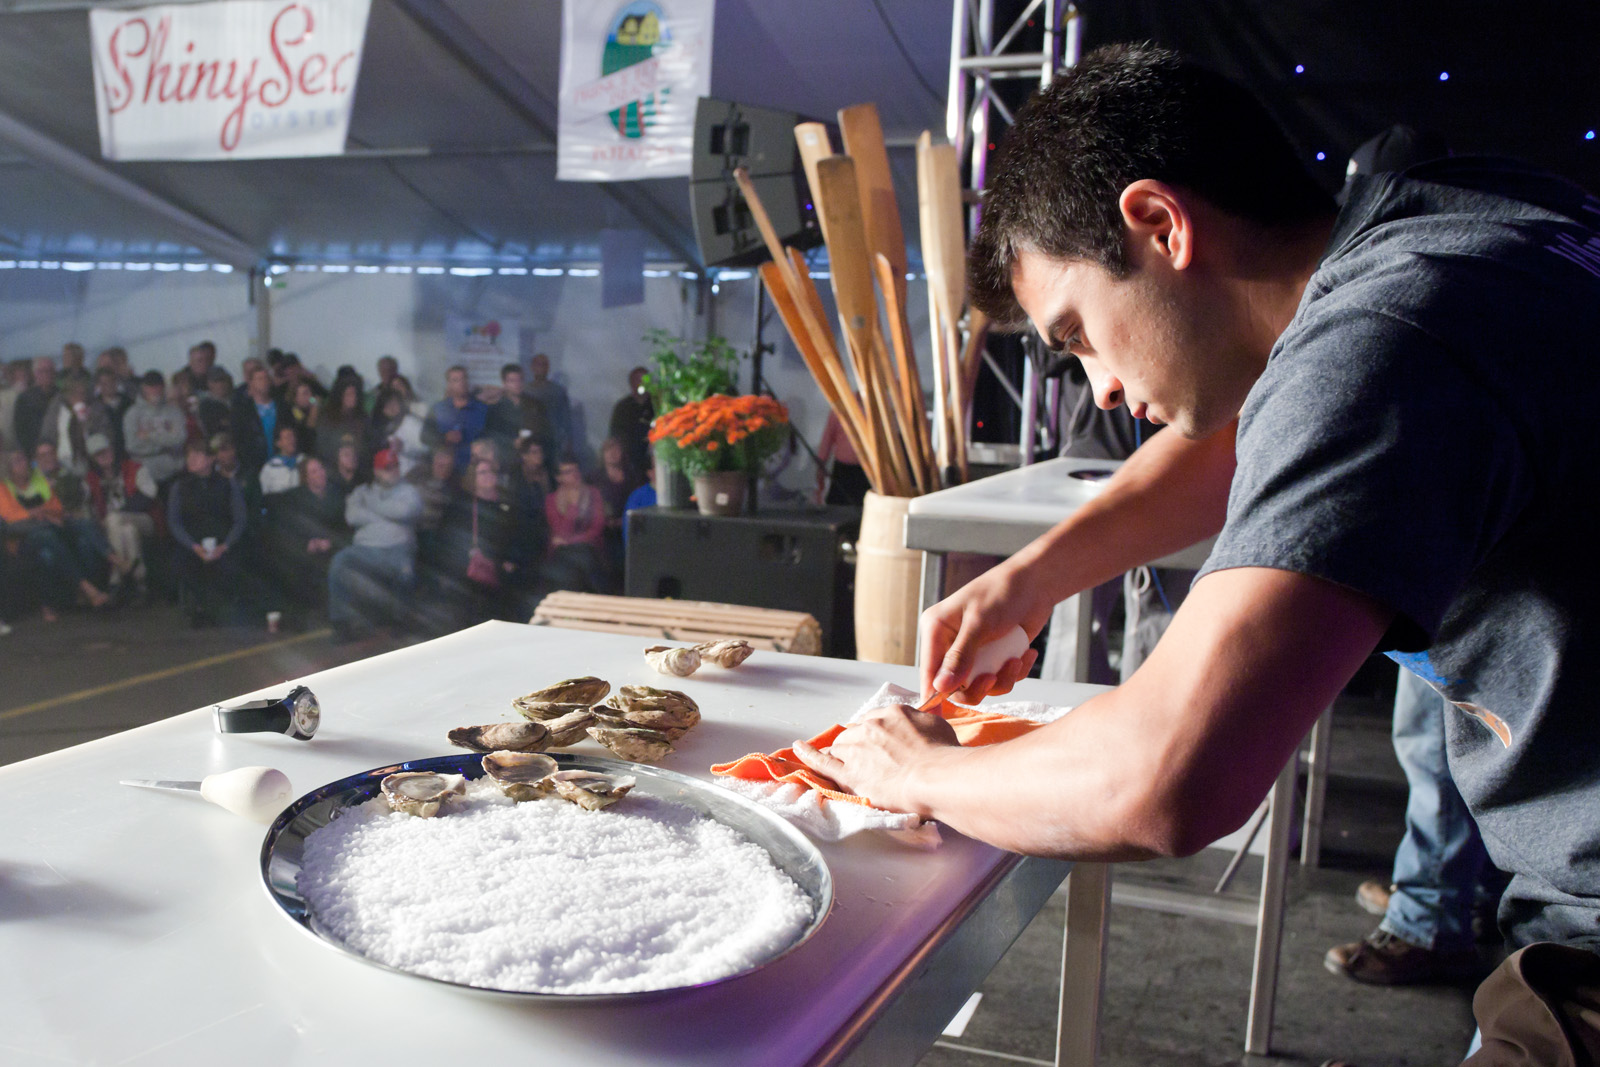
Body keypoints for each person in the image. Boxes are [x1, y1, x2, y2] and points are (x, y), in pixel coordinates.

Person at [787, 44, 1600, 1064]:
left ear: (1159, 224)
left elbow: (1166, 777)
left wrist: (922, 772)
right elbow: (1239, 433)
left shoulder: (1383, 335)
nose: (1099, 392)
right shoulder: (1453, 227)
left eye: (1078, 333)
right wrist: (1027, 580)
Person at [0, 447, 112, 619]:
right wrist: (36, 514)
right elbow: (11, 520)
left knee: (81, 527)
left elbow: (56, 508)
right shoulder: (3, 488)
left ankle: (114, 562)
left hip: (49, 528)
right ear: (9, 469)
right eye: (18, 461)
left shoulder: (39, 480)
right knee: (46, 544)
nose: (24, 464)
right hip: (22, 540)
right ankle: (86, 589)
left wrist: (41, 513)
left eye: (24, 459)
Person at [327, 448, 423, 640]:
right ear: (377, 472)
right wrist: (387, 515)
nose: (393, 470)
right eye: (388, 468)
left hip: (397, 547)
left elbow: (404, 512)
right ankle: (341, 624)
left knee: (405, 570)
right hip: (364, 549)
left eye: (396, 466)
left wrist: (371, 507)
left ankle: (401, 620)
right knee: (340, 561)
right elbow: (352, 516)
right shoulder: (361, 491)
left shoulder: (409, 491)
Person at [436, 458, 530, 623]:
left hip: (502, 570)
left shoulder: (508, 506)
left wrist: (512, 560)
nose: (488, 476)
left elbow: (521, 537)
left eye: (491, 471)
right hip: (471, 571)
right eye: (482, 472)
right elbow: (449, 539)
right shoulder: (462, 507)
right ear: (473, 477)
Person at [166, 439, 246, 626]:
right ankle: (199, 606)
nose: (191, 459)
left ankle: (220, 606)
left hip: (222, 542)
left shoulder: (228, 484)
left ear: (210, 459)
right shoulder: (179, 487)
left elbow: (240, 519)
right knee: (183, 564)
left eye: (197, 455)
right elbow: (174, 522)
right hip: (192, 545)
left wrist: (225, 546)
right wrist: (194, 547)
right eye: (189, 456)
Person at [267, 455, 349, 623]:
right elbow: (290, 528)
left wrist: (331, 542)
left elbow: (344, 527)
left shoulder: (336, 496)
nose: (320, 473)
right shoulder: (295, 499)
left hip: (333, 546)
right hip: (305, 547)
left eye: (320, 469)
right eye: (314, 471)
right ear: (306, 477)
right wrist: (307, 543)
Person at [84, 432, 159, 601]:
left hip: (143, 520)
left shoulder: (135, 468)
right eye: (98, 454)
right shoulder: (91, 479)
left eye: (106, 450)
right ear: (92, 459)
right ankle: (140, 581)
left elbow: (149, 496)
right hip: (114, 527)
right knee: (127, 531)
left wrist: (117, 514)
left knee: (114, 519)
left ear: (113, 450)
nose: (104, 456)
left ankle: (115, 579)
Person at [542, 457, 606, 592]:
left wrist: (571, 540)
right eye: (568, 472)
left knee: (584, 559)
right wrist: (573, 506)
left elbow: (597, 528)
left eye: (576, 470)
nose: (575, 474)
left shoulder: (593, 493)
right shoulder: (551, 499)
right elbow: (561, 531)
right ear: (559, 478)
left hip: (588, 548)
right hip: (562, 553)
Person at [123, 370, 188, 486]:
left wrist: (149, 436)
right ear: (143, 388)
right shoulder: (132, 414)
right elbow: (132, 446)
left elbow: (180, 439)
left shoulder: (174, 411)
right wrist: (166, 441)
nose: (155, 390)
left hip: (173, 470)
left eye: (158, 386)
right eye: (150, 386)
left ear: (163, 387)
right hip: (145, 473)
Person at [231, 365, 290, 487]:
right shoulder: (242, 411)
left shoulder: (282, 406)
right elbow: (237, 439)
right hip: (254, 467)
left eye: (266, 378)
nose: (264, 382)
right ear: (250, 383)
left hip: (281, 465)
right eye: (259, 379)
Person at [425, 365, 489, 472]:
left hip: (473, 470)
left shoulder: (483, 409)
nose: (461, 383)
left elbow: (492, 438)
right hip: (445, 471)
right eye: (456, 380)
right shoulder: (437, 409)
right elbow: (424, 436)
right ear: (449, 384)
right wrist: (444, 437)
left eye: (464, 378)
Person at [485, 362, 551, 450]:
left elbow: (544, 431)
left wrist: (527, 439)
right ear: (504, 383)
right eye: (512, 381)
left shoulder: (535, 405)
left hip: (532, 454)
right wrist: (511, 442)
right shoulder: (496, 408)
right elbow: (491, 434)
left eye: (520, 380)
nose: (517, 384)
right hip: (505, 454)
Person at [39, 372, 94, 475]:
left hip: (89, 461)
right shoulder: (57, 410)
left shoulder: (94, 408)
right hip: (62, 461)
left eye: (82, 393)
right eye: (75, 393)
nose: (80, 396)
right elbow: (47, 435)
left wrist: (88, 421)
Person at [606, 367, 654, 480]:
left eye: (646, 380)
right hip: (629, 463)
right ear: (632, 383)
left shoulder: (657, 403)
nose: (643, 383)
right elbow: (615, 437)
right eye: (639, 380)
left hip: (652, 461)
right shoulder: (623, 407)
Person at [815, 410, 868, 507]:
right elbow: (827, 438)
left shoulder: (875, 411)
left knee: (864, 509)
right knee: (837, 507)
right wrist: (821, 464)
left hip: (867, 472)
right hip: (842, 471)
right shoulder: (840, 409)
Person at [369, 386, 427, 476]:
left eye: (393, 403)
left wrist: (403, 447)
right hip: (391, 479)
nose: (391, 408)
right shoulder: (381, 431)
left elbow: (426, 450)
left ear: (400, 402)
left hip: (415, 475)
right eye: (386, 406)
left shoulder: (411, 422)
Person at [525, 353, 572, 458]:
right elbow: (521, 420)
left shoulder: (558, 391)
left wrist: (568, 442)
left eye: (544, 365)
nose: (541, 368)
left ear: (548, 368)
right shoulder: (525, 390)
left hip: (553, 442)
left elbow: (566, 420)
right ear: (532, 367)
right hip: (531, 441)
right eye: (538, 364)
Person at [317, 379, 368, 472]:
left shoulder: (363, 418)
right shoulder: (327, 418)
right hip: (333, 468)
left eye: (355, 394)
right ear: (340, 396)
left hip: (360, 467)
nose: (353, 397)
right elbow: (322, 447)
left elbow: (367, 444)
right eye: (349, 394)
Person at [13, 355, 58, 457]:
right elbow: (20, 430)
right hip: (35, 452)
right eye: (42, 371)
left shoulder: (60, 396)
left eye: (50, 371)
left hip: (58, 450)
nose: (47, 375)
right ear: (35, 374)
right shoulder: (24, 399)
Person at [88, 365, 132, 461]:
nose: (109, 386)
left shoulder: (129, 404)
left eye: (111, 381)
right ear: (98, 385)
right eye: (104, 383)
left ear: (116, 382)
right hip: (108, 459)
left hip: (130, 455)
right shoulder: (92, 409)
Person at [259, 424, 304, 496]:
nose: (291, 440)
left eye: (292, 436)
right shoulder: (269, 468)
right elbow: (266, 496)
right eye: (287, 437)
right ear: (278, 443)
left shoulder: (304, 462)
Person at [197, 367, 234, 440]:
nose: (221, 384)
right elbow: (212, 427)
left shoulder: (237, 401)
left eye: (223, 380)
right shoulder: (206, 405)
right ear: (209, 383)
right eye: (216, 381)